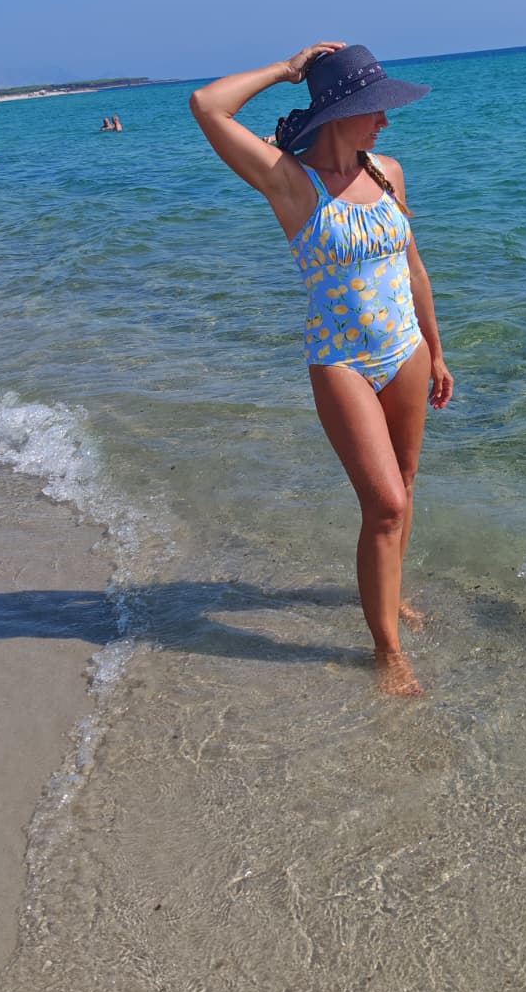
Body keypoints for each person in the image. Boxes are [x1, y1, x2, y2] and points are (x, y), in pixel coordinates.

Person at [190, 42, 454, 696]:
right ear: (339, 109)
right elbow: (207, 106)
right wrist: (286, 71)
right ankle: (386, 651)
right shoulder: (289, 180)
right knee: (385, 503)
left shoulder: (388, 171)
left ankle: (391, 594)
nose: (385, 121)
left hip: (407, 350)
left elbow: (413, 267)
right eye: (375, 109)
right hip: (341, 359)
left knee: (406, 487)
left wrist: (437, 349)